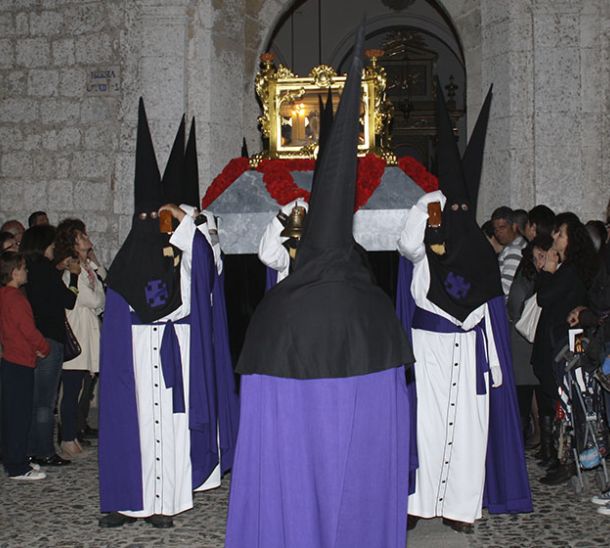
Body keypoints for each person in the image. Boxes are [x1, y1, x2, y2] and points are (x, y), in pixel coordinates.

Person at [226, 25, 415, 548]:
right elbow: (388, 429)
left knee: (295, 477)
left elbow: (262, 432)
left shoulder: (274, 313)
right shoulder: (376, 310)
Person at [397, 81, 531, 534]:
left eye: (459, 205)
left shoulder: (479, 250)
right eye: (447, 203)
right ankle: (419, 502)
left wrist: (493, 365)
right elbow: (406, 245)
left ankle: (460, 509)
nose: (452, 210)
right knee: (428, 426)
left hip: (470, 350)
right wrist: (425, 204)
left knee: (469, 433)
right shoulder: (428, 238)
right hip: (430, 345)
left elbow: (489, 309)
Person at [98, 103, 239, 529]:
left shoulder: (185, 253)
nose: (151, 224)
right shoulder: (125, 264)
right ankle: (129, 501)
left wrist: (180, 219)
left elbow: (207, 262)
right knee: (133, 425)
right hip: (137, 353)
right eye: (147, 216)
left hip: (176, 344)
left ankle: (166, 501)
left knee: (171, 424)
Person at [532, 215, 599, 484]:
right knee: (562, 398)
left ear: (572, 240)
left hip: (568, 342)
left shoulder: (570, 270)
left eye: (560, 233)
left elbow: (545, 298)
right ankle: (562, 457)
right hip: (559, 339)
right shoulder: (568, 268)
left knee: (569, 399)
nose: (555, 238)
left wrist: (547, 271)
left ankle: (569, 459)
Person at [20, 224, 79, 467]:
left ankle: (33, 447)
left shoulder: (31, 269)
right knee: (46, 401)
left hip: (33, 338)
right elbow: (69, 299)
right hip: (49, 341)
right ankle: (44, 451)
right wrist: (73, 274)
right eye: (53, 245)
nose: (55, 249)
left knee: (35, 399)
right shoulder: (44, 271)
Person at [54, 219, 106, 458]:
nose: (87, 238)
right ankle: (67, 439)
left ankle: (74, 435)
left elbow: (105, 287)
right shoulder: (71, 272)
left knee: (81, 389)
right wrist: (99, 293)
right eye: (81, 236)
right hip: (77, 336)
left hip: (88, 333)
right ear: (73, 244)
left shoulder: (86, 269)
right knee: (72, 390)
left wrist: (95, 267)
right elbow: (96, 301)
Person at [0, 251, 50, 480]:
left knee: (10, 414)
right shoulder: (17, 299)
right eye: (23, 267)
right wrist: (43, 347)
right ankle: (17, 466)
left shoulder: (4, 296)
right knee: (20, 416)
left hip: (9, 360)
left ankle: (12, 457)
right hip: (20, 361)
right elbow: (28, 330)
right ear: (14, 271)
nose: (27, 271)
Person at [507, 235, 553, 446]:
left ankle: (544, 443)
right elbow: (515, 310)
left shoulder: (549, 278)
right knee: (524, 398)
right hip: (523, 345)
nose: (539, 262)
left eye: (542, 256)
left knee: (540, 397)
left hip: (536, 345)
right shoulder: (525, 278)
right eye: (535, 257)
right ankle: (522, 442)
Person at [492, 206, 527, 296]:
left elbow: (506, 287)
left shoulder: (514, 249)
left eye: (502, 227)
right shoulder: (518, 245)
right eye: (496, 229)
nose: (498, 232)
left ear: (514, 227)